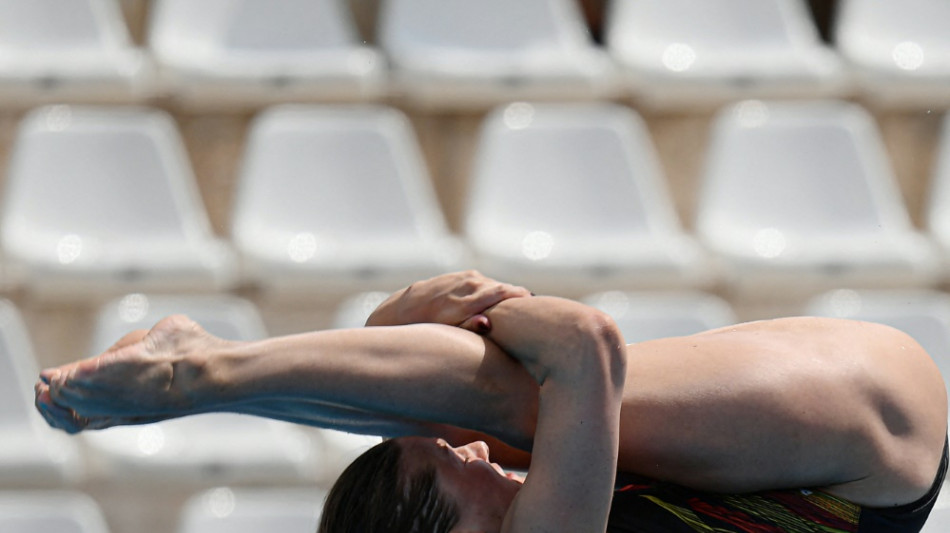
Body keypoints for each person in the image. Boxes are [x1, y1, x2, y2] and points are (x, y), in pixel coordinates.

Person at [34, 271, 948, 532]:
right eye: (451, 472)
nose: (470, 455)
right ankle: (208, 373)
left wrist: (398, 327)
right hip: (871, 443)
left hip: (851, 431)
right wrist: (496, 312)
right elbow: (584, 343)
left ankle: (214, 371)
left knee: (495, 414)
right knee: (519, 401)